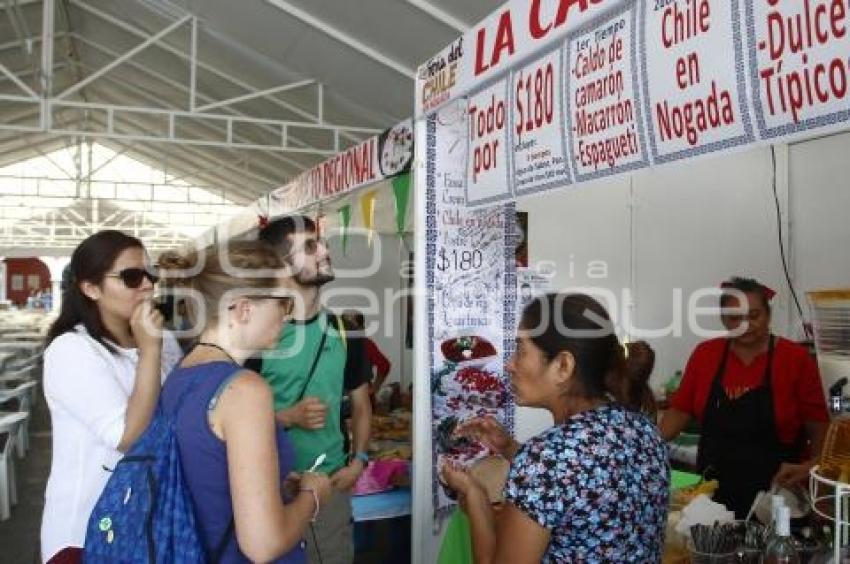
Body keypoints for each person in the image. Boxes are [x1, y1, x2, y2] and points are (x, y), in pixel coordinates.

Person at [441, 293, 669, 563]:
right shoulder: (645, 430)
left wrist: (475, 494)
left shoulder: (546, 459)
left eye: (521, 351)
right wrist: (509, 448)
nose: (510, 364)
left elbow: (558, 474)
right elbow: (577, 483)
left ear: (563, 366)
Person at [159, 240, 332, 563]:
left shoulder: (180, 375)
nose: (288, 315)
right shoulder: (245, 390)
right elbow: (263, 544)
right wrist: (313, 496)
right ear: (243, 309)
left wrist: (274, 481)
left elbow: (208, 475)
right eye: (283, 303)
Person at [41, 230, 183, 564]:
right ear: (90, 288)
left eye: (150, 275)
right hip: (87, 530)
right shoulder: (71, 350)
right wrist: (149, 351)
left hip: (149, 521)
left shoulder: (163, 340)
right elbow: (127, 436)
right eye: (131, 277)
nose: (148, 285)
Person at [660, 276, 830, 517]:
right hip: (712, 494)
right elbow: (679, 411)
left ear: (768, 315)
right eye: (734, 318)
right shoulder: (705, 355)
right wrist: (648, 446)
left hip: (777, 494)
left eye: (754, 316)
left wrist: (812, 467)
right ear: (723, 319)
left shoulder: (795, 359)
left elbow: (819, 425)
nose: (746, 324)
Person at [256, 216, 372, 564]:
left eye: (320, 242)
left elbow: (362, 405)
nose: (324, 250)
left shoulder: (346, 331)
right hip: (270, 486)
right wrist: (285, 417)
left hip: (330, 487)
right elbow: (224, 417)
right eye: (309, 246)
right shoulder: (258, 336)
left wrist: (359, 461)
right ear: (280, 263)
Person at [341, 310, 392, 399]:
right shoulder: (337, 345)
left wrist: (374, 388)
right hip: (343, 398)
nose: (347, 328)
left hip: (362, 397)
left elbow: (385, 365)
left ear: (361, 327)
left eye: (350, 324)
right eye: (345, 324)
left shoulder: (365, 344)